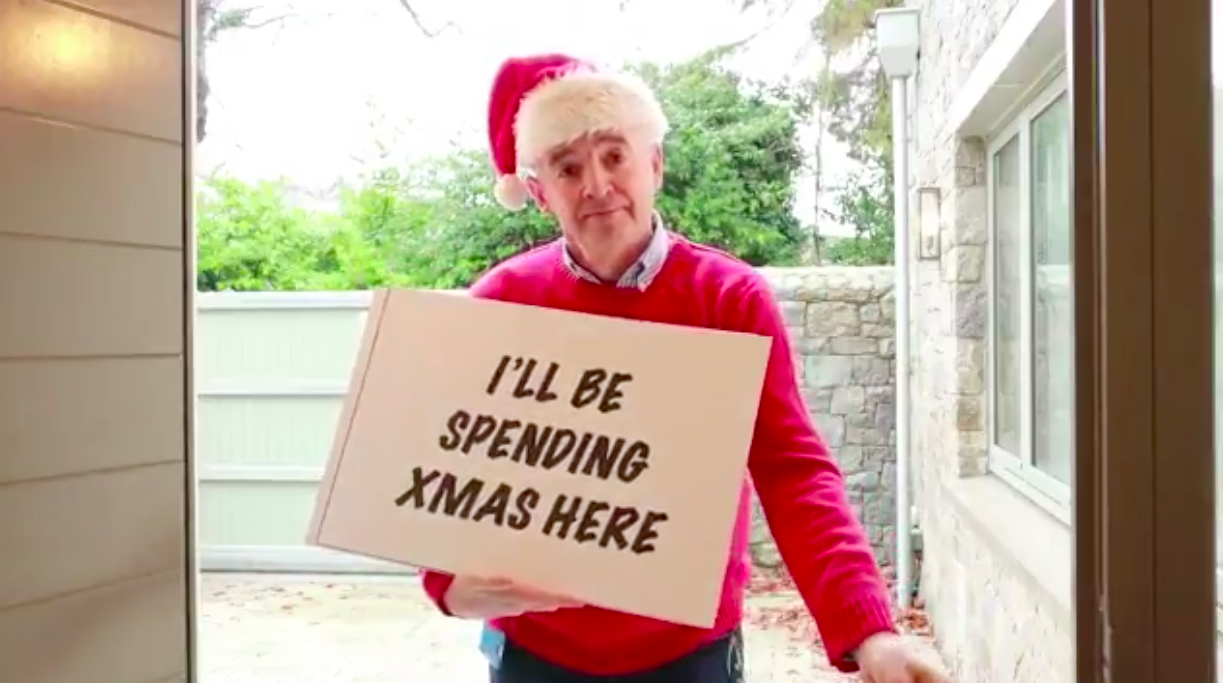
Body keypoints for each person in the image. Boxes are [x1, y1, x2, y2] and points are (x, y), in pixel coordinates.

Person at [421, 53, 951, 683]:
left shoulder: (729, 298)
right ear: (538, 192)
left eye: (614, 155)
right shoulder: (500, 302)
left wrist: (869, 632)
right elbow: (457, 465)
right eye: (567, 167)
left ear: (655, 165)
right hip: (536, 654)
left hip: (688, 654)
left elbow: (792, 471)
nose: (595, 184)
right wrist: (447, 581)